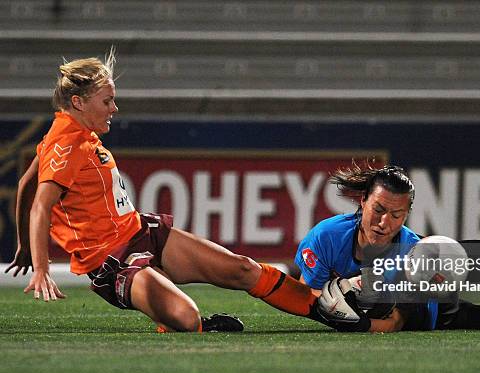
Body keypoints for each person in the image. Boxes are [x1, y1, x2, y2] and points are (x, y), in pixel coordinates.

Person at [4, 49, 338, 333]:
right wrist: (42, 266)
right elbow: (40, 205)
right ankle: (184, 316)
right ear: (78, 102)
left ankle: (329, 310)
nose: (114, 109)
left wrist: (22, 244)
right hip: (114, 262)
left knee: (242, 268)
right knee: (187, 319)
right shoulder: (66, 144)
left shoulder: (73, 136)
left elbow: (24, 184)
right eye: (107, 101)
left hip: (140, 233)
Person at [295, 163, 480, 332]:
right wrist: (341, 304)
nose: (384, 222)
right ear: (362, 202)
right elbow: (306, 296)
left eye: (396, 216)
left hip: (417, 302)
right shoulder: (325, 237)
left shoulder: (410, 249)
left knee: (454, 264)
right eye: (378, 210)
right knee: (461, 315)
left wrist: (360, 323)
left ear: (407, 214)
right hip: (413, 306)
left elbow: (395, 322)